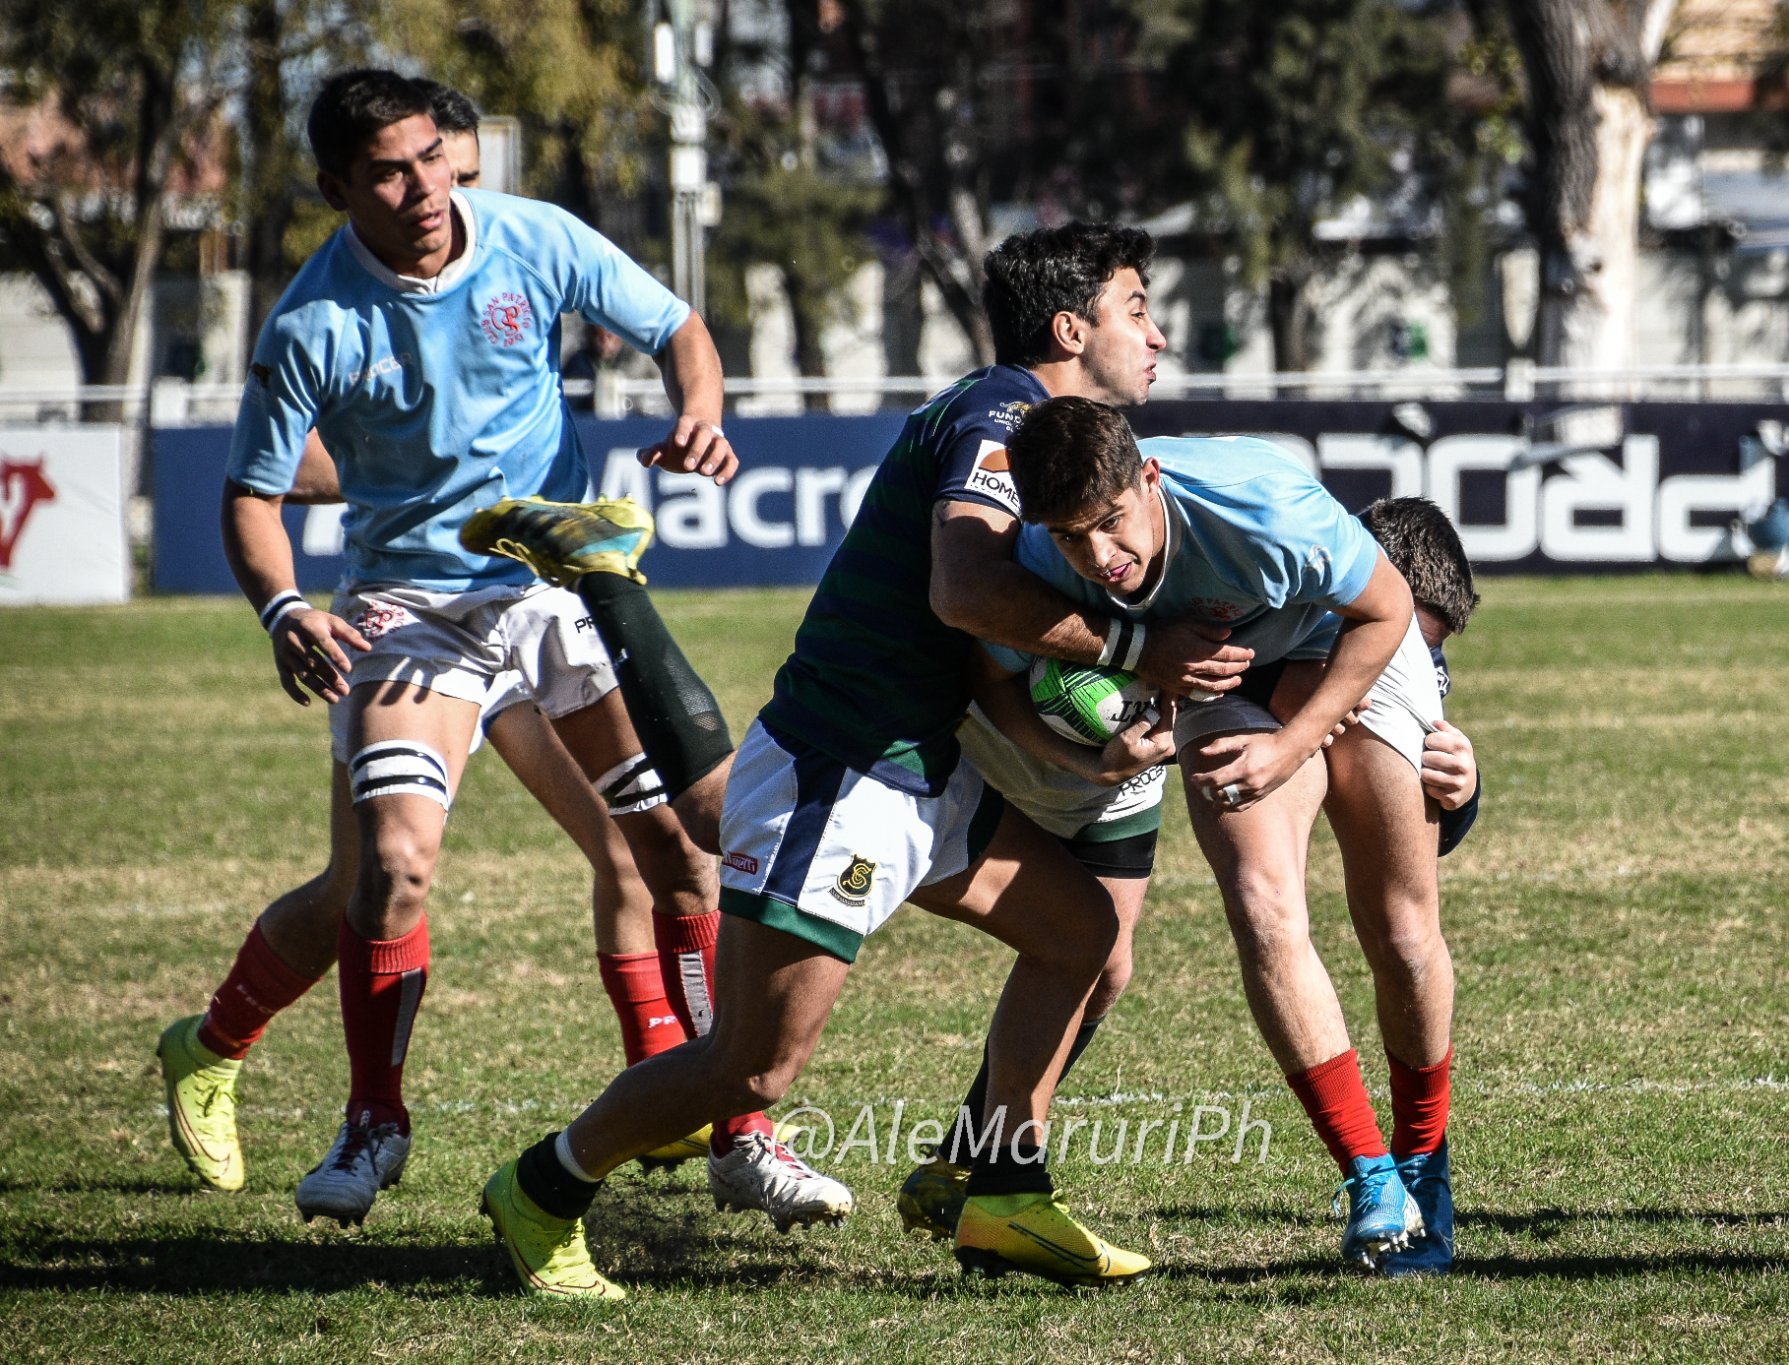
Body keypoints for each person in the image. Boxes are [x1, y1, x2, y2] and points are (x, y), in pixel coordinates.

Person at [467, 221, 1252, 1298]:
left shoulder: (1026, 423)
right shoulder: (1000, 417)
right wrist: (1132, 651)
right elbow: (963, 592)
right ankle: (542, 1189)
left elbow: (978, 642)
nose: (1155, 336)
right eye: (1135, 310)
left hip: (916, 764)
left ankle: (1005, 1193)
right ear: (1072, 327)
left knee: (1080, 937)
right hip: (849, 774)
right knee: (752, 1063)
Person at [181, 68, 839, 1232]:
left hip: (561, 586)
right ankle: (371, 1122)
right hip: (411, 605)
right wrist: (285, 608)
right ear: (337, 187)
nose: (422, 184)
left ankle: (740, 1130)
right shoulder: (310, 321)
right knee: (386, 868)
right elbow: (251, 497)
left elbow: (680, 328)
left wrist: (702, 408)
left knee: (682, 853)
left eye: (432, 154)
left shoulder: (537, 240)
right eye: (388, 169)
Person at [897, 495, 1483, 1264]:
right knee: (1256, 907)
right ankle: (1372, 1176)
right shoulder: (1259, 539)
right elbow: (997, 634)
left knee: (1402, 933)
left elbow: (1424, 809)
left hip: (1125, 763)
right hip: (1094, 736)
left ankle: (1422, 1167)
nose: (1427, 663)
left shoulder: (1389, 637)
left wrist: (1463, 795)